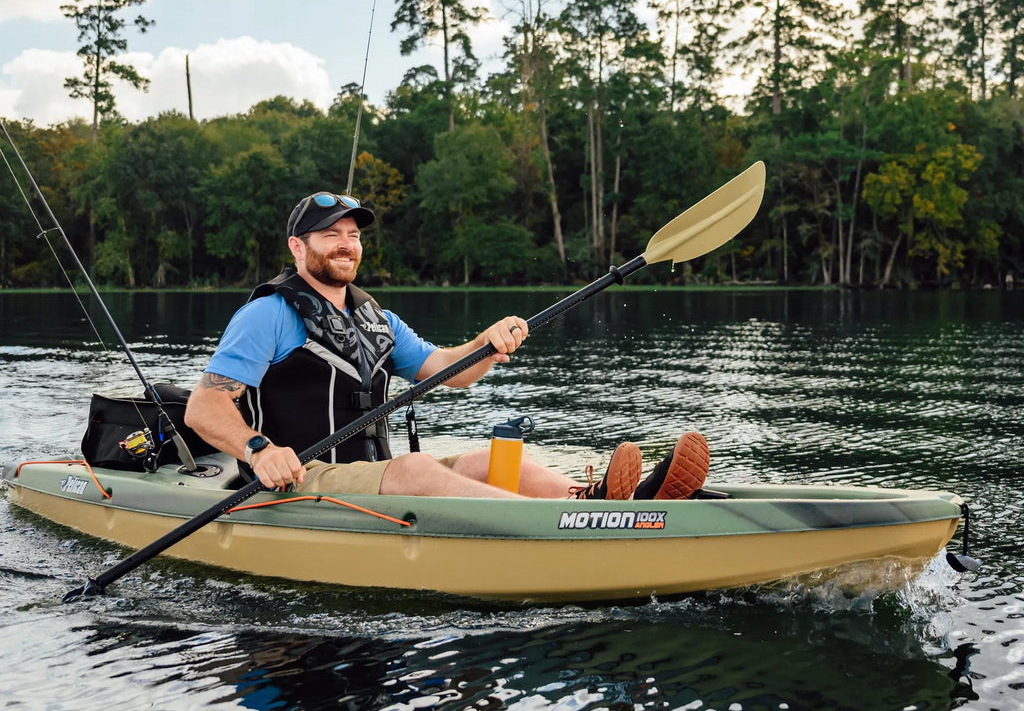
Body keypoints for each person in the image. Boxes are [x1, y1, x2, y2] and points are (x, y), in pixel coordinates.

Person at [184, 191, 709, 501]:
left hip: (367, 473)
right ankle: (555, 528)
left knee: (493, 460)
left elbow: (445, 369)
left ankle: (592, 502)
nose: (346, 244)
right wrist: (259, 450)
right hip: (298, 477)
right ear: (299, 247)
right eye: (330, 235)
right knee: (418, 469)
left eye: (354, 235)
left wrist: (485, 343)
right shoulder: (267, 315)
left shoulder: (376, 318)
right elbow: (203, 408)